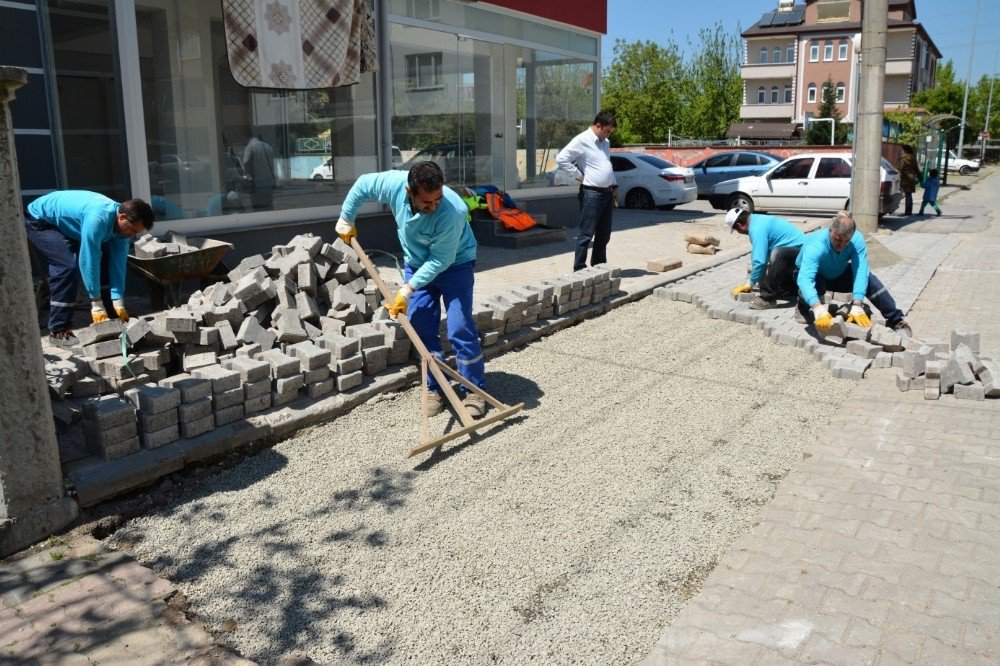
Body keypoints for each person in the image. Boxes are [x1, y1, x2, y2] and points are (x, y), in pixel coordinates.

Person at [335, 161, 486, 417]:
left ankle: (473, 389)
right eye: (427, 202)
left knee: (460, 327)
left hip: (455, 263)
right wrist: (346, 218)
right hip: (417, 264)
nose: (434, 205)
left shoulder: (453, 211)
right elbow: (362, 184)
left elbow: (440, 261)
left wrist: (406, 290)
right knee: (422, 326)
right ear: (409, 191)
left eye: (438, 198)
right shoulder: (394, 184)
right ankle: (436, 388)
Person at [24, 191, 154, 346]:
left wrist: (118, 301)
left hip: (72, 221)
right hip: (41, 219)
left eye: (136, 233)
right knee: (67, 266)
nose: (132, 235)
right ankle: (59, 329)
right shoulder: (97, 220)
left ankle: (111, 313)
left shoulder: (123, 231)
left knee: (107, 257)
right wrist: (95, 302)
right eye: (132, 230)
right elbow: (89, 261)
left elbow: (118, 265)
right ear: (122, 217)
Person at [796, 212, 911, 336]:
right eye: (838, 239)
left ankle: (897, 320)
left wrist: (857, 303)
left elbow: (861, 271)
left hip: (838, 273)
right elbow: (805, 279)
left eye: (847, 241)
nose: (842, 245)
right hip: (815, 275)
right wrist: (817, 307)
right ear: (830, 231)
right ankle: (802, 309)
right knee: (814, 285)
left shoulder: (856, 240)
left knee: (869, 279)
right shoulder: (816, 244)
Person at [556, 110, 618, 271]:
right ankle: (580, 269)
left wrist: (614, 185)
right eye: (607, 131)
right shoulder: (582, 140)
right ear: (598, 126)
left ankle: (598, 266)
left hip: (607, 193)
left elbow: (607, 163)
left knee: (604, 233)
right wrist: (579, 176)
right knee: (586, 233)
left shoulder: (605, 143)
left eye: (611, 132)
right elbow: (562, 158)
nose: (609, 135)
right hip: (592, 194)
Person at [726, 208, 807, 310]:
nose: (739, 232)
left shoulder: (756, 228)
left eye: (737, 230)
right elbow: (763, 258)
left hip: (804, 255)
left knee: (778, 253)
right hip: (797, 257)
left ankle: (768, 299)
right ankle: (794, 289)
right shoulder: (759, 220)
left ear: (739, 225)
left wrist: (750, 283)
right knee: (775, 261)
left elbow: (759, 261)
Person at [242, 130, 276, 210]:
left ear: (247, 138)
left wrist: (247, 174)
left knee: (258, 206)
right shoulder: (268, 146)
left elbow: (245, 161)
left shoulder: (250, 147)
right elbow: (272, 165)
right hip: (268, 181)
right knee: (268, 204)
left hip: (257, 181)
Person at [897, 145, 920, 216]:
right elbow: (916, 169)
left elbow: (900, 169)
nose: (901, 151)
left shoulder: (903, 159)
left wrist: (897, 176)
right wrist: (921, 178)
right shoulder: (913, 158)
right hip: (911, 178)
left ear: (905, 151)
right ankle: (909, 212)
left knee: (901, 194)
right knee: (909, 195)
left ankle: (906, 212)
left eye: (902, 150)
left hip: (905, 179)